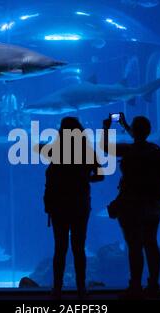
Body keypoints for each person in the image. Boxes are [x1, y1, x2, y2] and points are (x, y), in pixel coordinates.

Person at [101, 112, 160, 299]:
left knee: (134, 246)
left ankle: (135, 287)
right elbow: (139, 137)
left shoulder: (129, 150)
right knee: (151, 242)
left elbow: (106, 147)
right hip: (154, 205)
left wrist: (107, 127)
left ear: (134, 131)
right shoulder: (156, 150)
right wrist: (126, 125)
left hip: (131, 205)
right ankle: (153, 286)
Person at [38, 117, 104, 299]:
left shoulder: (55, 150)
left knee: (60, 248)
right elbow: (100, 176)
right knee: (79, 248)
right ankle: (81, 289)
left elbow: (41, 151)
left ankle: (57, 289)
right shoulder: (87, 151)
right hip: (80, 204)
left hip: (58, 205)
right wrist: (84, 179)